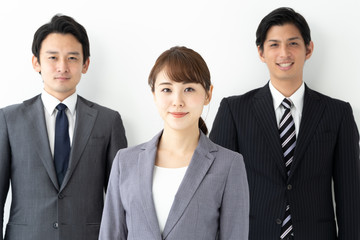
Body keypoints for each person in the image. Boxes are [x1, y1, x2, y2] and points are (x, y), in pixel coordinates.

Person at [210, 7, 360, 240]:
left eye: (293, 43)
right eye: (274, 45)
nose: (284, 53)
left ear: (308, 49)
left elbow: (351, 196)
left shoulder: (337, 113)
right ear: (260, 52)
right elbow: (215, 190)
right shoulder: (235, 110)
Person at [99, 46, 249, 239]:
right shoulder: (125, 161)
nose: (177, 101)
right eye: (167, 89)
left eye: (188, 89)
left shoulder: (229, 165)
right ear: (154, 94)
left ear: (208, 94)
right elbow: (110, 235)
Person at [0, 14, 127, 240]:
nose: (62, 66)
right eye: (52, 57)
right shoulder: (9, 120)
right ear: (36, 62)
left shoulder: (108, 121)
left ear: (85, 64)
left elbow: (120, 201)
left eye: (72, 58)